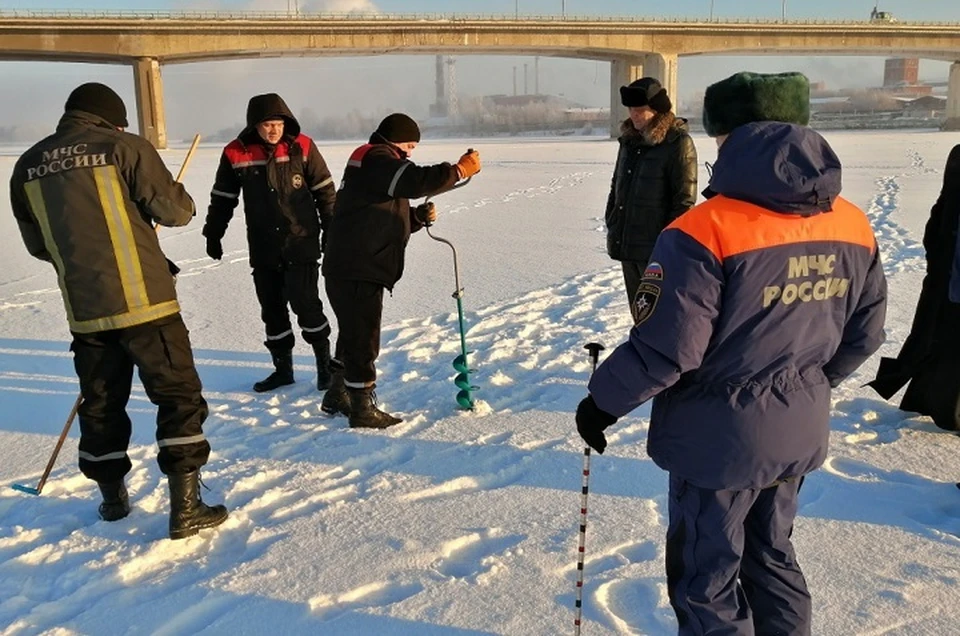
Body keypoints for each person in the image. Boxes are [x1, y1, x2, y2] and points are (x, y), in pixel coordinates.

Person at [575, 72, 887, 634]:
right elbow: (865, 334)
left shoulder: (704, 229)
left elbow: (670, 347)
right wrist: (805, 383)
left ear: (728, 135)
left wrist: (601, 403)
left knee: (707, 577)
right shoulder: (851, 221)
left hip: (718, 441)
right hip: (797, 429)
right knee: (772, 555)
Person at [9, 82, 228, 540]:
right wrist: (180, 201)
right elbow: (175, 212)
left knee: (102, 403)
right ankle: (186, 508)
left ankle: (113, 501)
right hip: (146, 304)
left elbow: (39, 246)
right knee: (178, 397)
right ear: (111, 119)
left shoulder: (27, 165)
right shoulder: (123, 147)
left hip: (85, 310)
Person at [320, 113, 481, 428]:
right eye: (409, 146)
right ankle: (362, 409)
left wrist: (416, 218)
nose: (410, 153)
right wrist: (458, 170)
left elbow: (379, 214)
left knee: (353, 332)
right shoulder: (376, 157)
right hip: (357, 265)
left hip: (352, 263)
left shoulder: (373, 162)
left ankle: (338, 394)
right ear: (396, 140)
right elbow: (414, 181)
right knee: (363, 338)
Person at [203, 93, 337, 393]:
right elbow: (223, 197)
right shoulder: (235, 152)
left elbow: (325, 192)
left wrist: (331, 230)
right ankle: (283, 370)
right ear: (255, 125)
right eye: (267, 125)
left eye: (278, 123)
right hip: (263, 245)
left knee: (306, 304)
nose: (274, 130)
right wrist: (213, 232)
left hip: (300, 241)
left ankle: (324, 366)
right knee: (272, 309)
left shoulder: (303, 146)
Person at [868, 145, 960, 431]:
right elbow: (943, 209)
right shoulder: (958, 157)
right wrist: (937, 254)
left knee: (941, 340)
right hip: (948, 273)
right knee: (936, 338)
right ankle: (932, 403)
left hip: (948, 272)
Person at [605, 77, 698, 314]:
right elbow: (617, 186)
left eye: (640, 110)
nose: (634, 115)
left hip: (656, 251)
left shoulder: (677, 143)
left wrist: (666, 244)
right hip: (628, 244)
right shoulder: (628, 141)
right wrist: (612, 220)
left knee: (660, 317)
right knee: (639, 315)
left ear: (656, 110)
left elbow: (684, 202)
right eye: (631, 109)